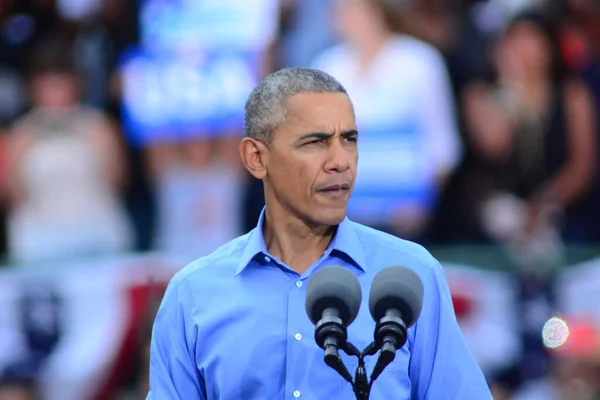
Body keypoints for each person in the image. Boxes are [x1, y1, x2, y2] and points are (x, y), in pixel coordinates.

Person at [147, 68, 491, 399]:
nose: (340, 161)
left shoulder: (412, 276)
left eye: (349, 139)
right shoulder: (192, 295)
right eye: (316, 142)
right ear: (256, 158)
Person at [311, 0, 462, 242]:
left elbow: (443, 145)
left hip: (407, 219)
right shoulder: (327, 66)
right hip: (345, 219)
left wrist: (423, 201)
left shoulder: (420, 63)